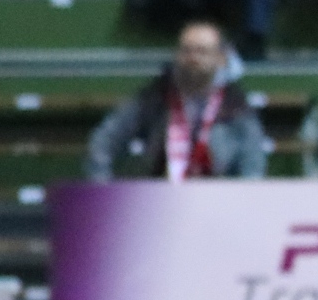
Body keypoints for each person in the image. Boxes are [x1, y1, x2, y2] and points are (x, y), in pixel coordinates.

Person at [81, 20, 268, 180]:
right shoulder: (156, 96)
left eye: (202, 51)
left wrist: (243, 200)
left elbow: (253, 161)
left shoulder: (235, 105)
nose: (193, 58)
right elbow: (105, 140)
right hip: (157, 196)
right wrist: (102, 187)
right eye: (187, 51)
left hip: (217, 199)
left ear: (220, 58)